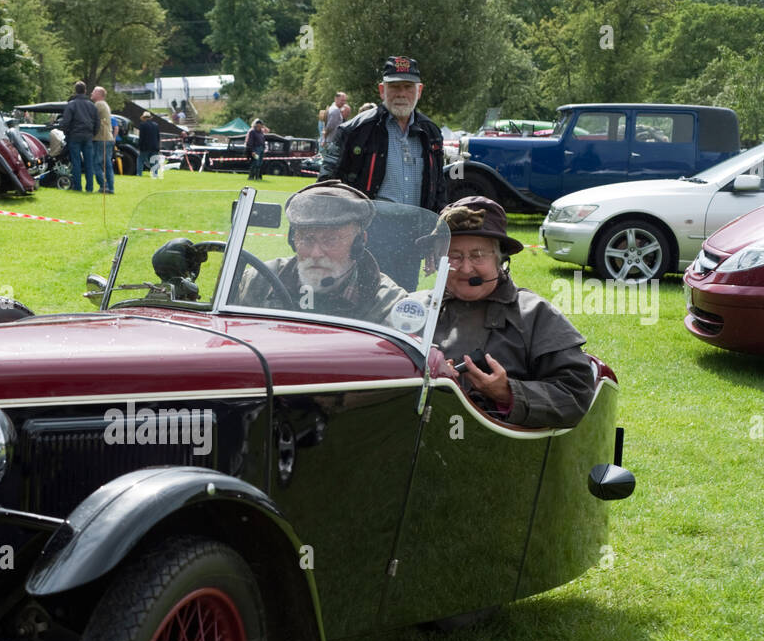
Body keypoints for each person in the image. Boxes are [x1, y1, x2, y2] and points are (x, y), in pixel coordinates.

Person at [407, 196, 593, 429]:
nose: (466, 268)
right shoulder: (412, 309)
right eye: (454, 256)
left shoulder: (535, 314)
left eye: (477, 255)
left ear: (500, 259)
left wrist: (507, 393)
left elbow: (576, 396)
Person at [320, 57, 447, 289]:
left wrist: (437, 236)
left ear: (419, 90)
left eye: (408, 87)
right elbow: (326, 182)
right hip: (368, 233)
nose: (401, 93)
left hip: (413, 236)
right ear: (382, 90)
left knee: (402, 302)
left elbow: (438, 188)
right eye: (394, 86)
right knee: (361, 301)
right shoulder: (355, 130)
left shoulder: (431, 132)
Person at [235, 180, 406, 323]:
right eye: (307, 239)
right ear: (292, 240)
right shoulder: (257, 282)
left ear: (359, 243)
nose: (316, 253)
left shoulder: (387, 303)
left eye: (331, 240)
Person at [55, 81, 98, 192]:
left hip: (74, 135)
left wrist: (66, 132)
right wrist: (93, 134)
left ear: (75, 90)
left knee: (76, 162)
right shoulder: (92, 106)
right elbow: (97, 122)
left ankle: (77, 187)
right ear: (85, 91)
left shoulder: (71, 104)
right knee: (89, 163)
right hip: (88, 135)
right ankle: (90, 188)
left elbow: (66, 122)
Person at [91, 86, 114, 194]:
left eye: (94, 92)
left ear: (99, 94)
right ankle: (110, 187)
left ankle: (103, 186)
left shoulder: (98, 104)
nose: (91, 93)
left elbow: (91, 117)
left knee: (96, 163)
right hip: (108, 137)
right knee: (108, 164)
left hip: (101, 138)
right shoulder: (105, 105)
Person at [137, 110, 161, 177]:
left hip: (145, 147)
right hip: (155, 146)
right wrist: (158, 146)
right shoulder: (156, 125)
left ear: (144, 118)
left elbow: (141, 137)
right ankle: (155, 175)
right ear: (150, 117)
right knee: (154, 161)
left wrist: (139, 146)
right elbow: (158, 137)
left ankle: (139, 174)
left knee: (140, 160)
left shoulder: (142, 125)